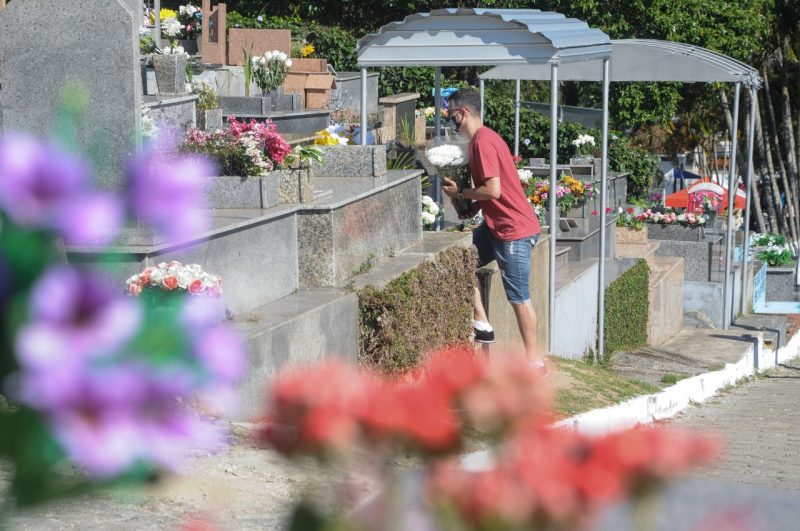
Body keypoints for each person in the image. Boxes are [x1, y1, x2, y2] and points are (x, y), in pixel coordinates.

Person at [441, 89, 545, 370]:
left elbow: (494, 190)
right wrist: (466, 205)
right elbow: (488, 193)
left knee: (519, 298)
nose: (449, 120)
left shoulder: (483, 143)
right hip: (495, 226)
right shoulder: (481, 140)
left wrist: (462, 190)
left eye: (450, 115)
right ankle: (483, 324)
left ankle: (535, 363)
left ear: (463, 113)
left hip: (514, 231)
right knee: (461, 262)